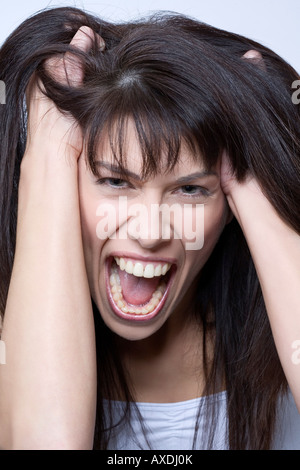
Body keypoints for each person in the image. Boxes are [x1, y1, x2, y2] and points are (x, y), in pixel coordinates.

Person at [0, 6, 299, 450]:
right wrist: (48, 153)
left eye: (191, 190)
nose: (150, 231)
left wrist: (253, 177)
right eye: (115, 181)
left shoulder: (278, 339)